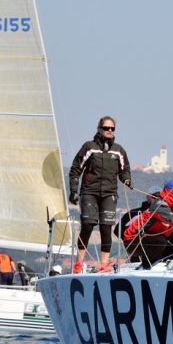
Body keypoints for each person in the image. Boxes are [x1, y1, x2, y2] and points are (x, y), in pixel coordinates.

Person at [69, 116, 132, 273]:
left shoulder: (118, 150)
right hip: (89, 192)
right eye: (106, 128)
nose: (109, 130)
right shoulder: (89, 147)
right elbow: (76, 169)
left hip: (109, 193)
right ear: (99, 129)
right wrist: (73, 191)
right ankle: (79, 262)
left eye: (112, 128)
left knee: (106, 227)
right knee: (88, 225)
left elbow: (124, 170)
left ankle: (104, 264)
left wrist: (127, 179)